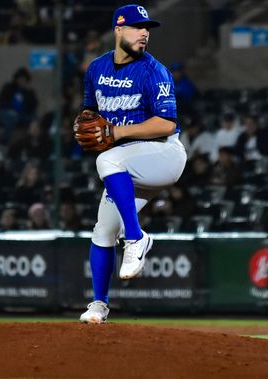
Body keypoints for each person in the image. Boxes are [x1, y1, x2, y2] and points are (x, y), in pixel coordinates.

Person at [78, 4, 186, 324]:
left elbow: (167, 124)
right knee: (103, 231)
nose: (144, 33)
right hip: (128, 165)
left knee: (108, 159)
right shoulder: (97, 69)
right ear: (118, 30)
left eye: (147, 28)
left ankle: (137, 238)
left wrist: (115, 132)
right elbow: (89, 112)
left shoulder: (154, 71)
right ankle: (99, 305)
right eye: (138, 27)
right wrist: (85, 126)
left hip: (163, 155)